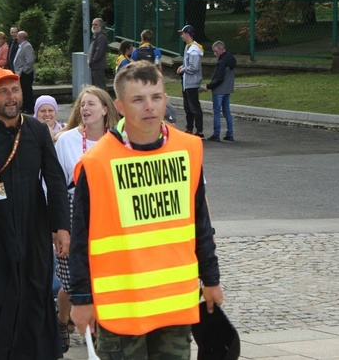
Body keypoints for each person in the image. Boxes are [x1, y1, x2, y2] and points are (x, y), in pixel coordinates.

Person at [69, 61, 223, 358]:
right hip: (122, 307)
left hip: (174, 303)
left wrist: (212, 279)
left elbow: (199, 222)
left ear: (166, 99)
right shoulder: (97, 162)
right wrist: (81, 299)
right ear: (120, 106)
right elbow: (80, 237)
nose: (149, 107)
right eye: (138, 99)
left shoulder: (187, 149)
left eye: (156, 97)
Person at [0, 67, 71, 359]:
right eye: (3, 91)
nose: (11, 97)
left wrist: (61, 227)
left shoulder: (36, 130)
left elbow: (55, 180)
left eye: (15, 90)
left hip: (33, 228)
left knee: (35, 293)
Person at [52, 86, 119, 352]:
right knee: (70, 282)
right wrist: (56, 226)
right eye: (82, 105)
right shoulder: (65, 140)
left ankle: (100, 330)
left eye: (91, 104)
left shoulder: (116, 140)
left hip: (106, 211)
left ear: (105, 109)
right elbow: (53, 185)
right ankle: (61, 317)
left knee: (102, 275)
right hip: (70, 209)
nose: (86, 109)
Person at [203, 40, 236, 142]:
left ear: (221, 50)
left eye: (215, 51)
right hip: (228, 89)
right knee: (227, 112)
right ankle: (230, 133)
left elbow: (219, 78)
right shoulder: (232, 59)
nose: (215, 54)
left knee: (217, 112)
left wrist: (209, 86)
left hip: (219, 91)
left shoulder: (222, 62)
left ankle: (216, 134)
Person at [176, 25, 204, 137]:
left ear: (187, 34)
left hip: (192, 82)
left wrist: (183, 69)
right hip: (187, 82)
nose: (182, 36)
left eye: (182, 33)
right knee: (188, 107)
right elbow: (189, 64)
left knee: (194, 107)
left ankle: (199, 130)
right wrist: (183, 66)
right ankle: (189, 128)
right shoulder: (188, 47)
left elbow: (193, 67)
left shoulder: (194, 50)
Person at [12, 30, 35, 113]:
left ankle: (29, 108)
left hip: (26, 74)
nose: (16, 38)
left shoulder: (27, 46)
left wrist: (24, 71)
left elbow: (30, 61)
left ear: (21, 37)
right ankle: (25, 107)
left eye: (18, 36)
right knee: (23, 91)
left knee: (27, 91)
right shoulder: (21, 46)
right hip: (20, 73)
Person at [88, 18, 108, 89]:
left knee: (100, 86)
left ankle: (104, 99)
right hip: (94, 66)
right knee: (96, 87)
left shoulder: (101, 37)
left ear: (101, 25)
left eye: (96, 24)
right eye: (93, 24)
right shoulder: (95, 36)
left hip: (98, 66)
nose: (93, 26)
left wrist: (92, 61)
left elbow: (99, 51)